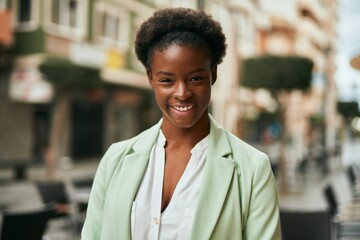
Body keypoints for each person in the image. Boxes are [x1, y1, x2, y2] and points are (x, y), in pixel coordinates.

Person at [81, 7, 281, 240]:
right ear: (150, 78)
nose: (182, 93)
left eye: (196, 78)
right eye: (167, 80)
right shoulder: (114, 160)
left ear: (213, 74)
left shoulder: (253, 169)